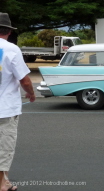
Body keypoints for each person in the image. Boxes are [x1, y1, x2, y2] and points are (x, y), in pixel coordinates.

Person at [0, 13, 35, 191]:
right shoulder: (11, 49)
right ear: (8, 31)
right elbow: (24, 80)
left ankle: (4, 181)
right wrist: (31, 93)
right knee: (4, 145)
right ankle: (2, 184)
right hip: (4, 108)